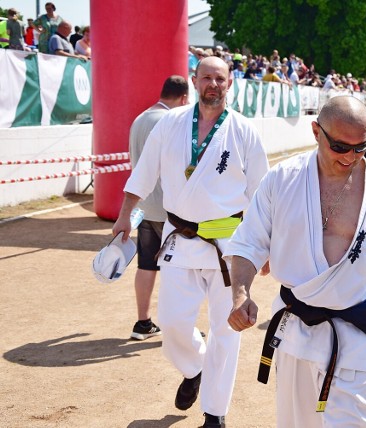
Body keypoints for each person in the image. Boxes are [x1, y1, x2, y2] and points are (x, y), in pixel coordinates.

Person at [112, 56, 269, 428]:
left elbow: (262, 193)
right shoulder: (170, 124)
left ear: (230, 84)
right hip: (180, 239)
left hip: (228, 246)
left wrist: (264, 246)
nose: (212, 84)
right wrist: (123, 215)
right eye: (206, 77)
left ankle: (215, 414)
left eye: (220, 78)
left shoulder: (244, 131)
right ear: (194, 80)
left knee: (227, 328)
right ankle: (194, 366)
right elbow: (145, 171)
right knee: (171, 322)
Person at [226, 96, 366, 428]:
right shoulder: (282, 178)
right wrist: (240, 294)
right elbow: (249, 243)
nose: (350, 157)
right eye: (339, 147)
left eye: (360, 147)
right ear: (316, 131)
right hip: (297, 333)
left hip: (360, 337)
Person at [128, 75, 189, 341]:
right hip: (169, 208)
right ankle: (179, 329)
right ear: (184, 98)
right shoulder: (171, 121)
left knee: (146, 265)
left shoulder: (140, 118)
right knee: (179, 270)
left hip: (144, 206)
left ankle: (143, 322)